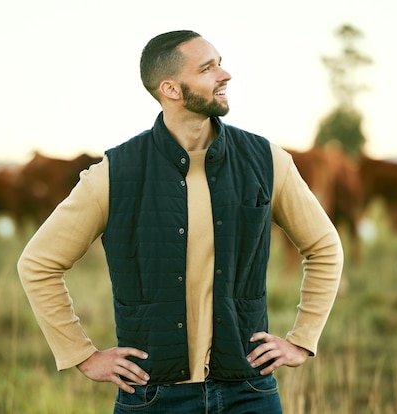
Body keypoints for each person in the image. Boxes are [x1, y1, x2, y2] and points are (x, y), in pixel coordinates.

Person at [18, 30, 343, 413]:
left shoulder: (267, 161)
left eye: (220, 63)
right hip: (154, 397)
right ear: (170, 89)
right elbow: (38, 263)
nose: (225, 75)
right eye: (208, 68)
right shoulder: (115, 174)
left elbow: (324, 247)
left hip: (249, 393)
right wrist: (83, 355)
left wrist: (302, 339)